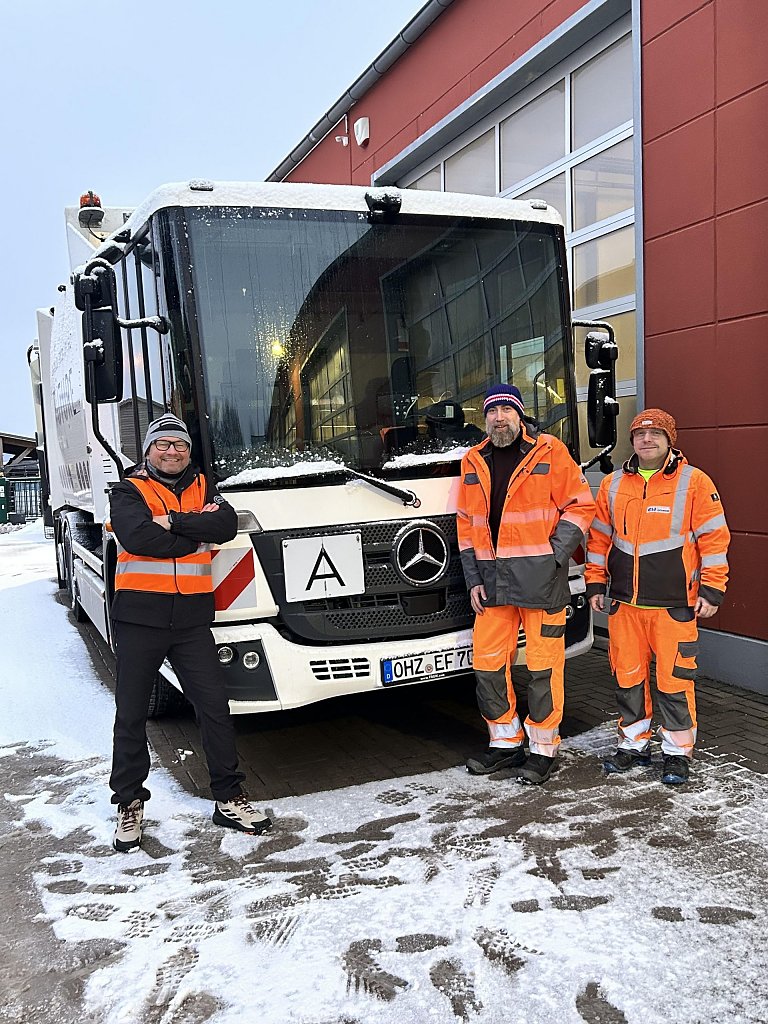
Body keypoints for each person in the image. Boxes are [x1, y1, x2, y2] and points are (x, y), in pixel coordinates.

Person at [108, 413, 271, 851]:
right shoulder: (128, 490)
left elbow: (225, 526)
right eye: (162, 444)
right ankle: (128, 802)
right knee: (131, 713)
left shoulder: (205, 486)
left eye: (179, 444)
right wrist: (194, 532)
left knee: (214, 707)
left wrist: (172, 522)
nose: (172, 451)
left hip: (192, 622)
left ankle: (229, 797)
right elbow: (138, 538)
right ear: (148, 450)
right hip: (140, 619)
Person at [457, 384, 596, 784]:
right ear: (484, 418)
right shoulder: (473, 460)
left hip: (541, 582)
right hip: (492, 584)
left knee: (543, 668)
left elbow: (581, 506)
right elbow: (466, 526)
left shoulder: (550, 451)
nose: (499, 418)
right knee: (487, 666)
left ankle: (543, 749)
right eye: (492, 411)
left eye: (506, 410)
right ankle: (504, 743)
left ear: (520, 415)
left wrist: (554, 556)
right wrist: (473, 579)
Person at [585, 409, 730, 785]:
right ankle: (633, 744)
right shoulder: (613, 483)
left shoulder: (694, 482)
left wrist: (713, 589)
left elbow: (714, 540)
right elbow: (599, 539)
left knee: (674, 681)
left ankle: (677, 753)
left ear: (670, 440)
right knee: (627, 678)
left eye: (655, 434)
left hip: (673, 606)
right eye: (639, 434)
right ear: (632, 441)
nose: (646, 440)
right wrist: (595, 583)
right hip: (624, 605)